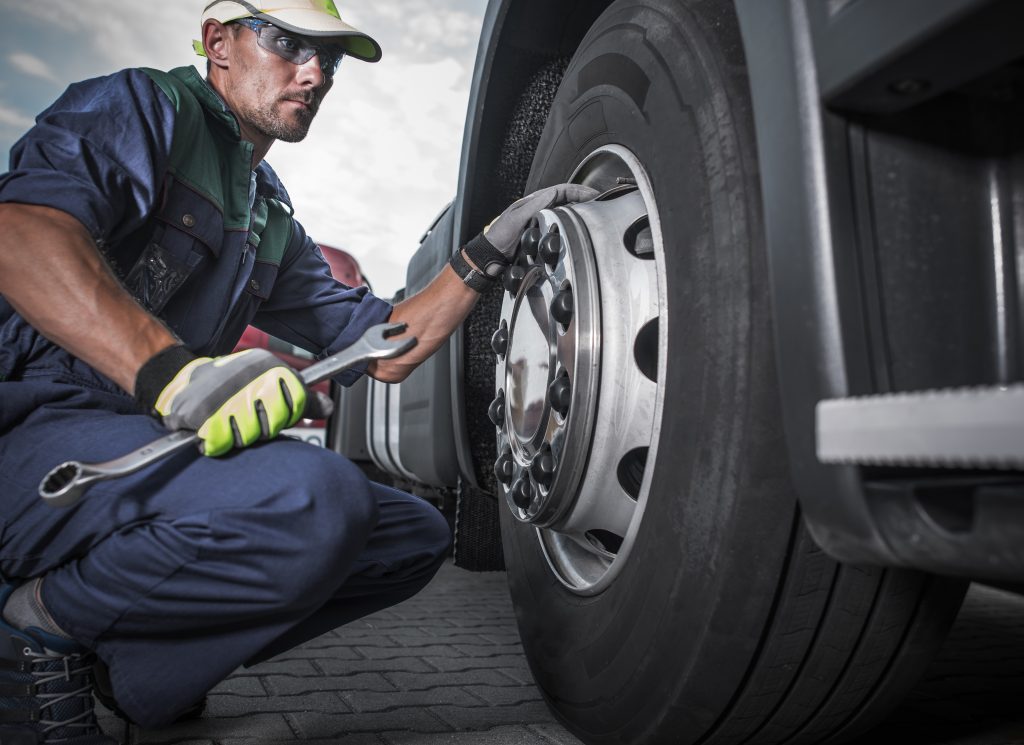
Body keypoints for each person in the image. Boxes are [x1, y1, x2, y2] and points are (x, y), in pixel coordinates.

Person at [0, 1, 596, 741]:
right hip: (35, 437)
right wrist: (175, 375)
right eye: (287, 43)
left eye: (331, 60)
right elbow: (20, 234)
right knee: (315, 500)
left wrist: (487, 251)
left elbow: (387, 346)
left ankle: (127, 664)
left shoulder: (270, 217)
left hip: (138, 450)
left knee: (404, 536)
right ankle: (38, 624)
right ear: (218, 42)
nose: (314, 73)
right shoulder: (143, 108)